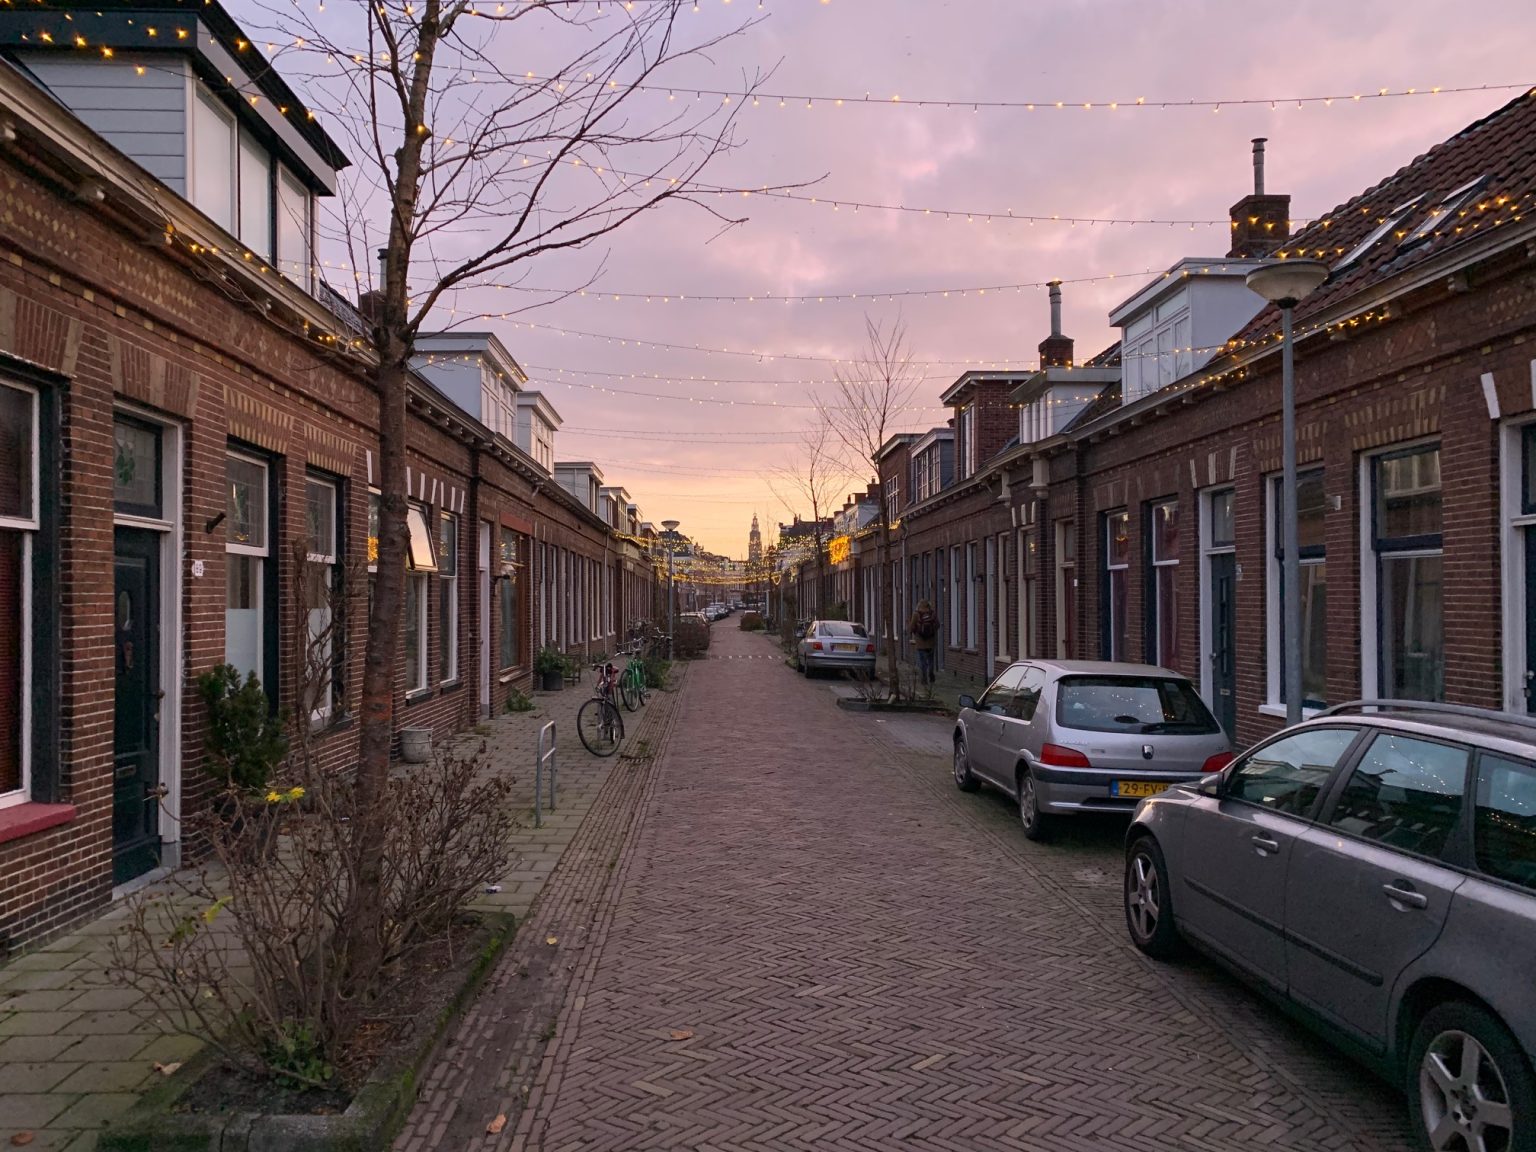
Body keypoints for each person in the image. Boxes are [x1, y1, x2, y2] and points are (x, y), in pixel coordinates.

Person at [909, 598, 939, 688]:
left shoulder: (916, 614)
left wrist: (914, 632)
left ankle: (924, 679)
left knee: (922, 662)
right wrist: (932, 632)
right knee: (930, 661)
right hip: (931, 643)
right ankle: (931, 674)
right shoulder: (932, 614)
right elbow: (938, 625)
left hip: (920, 643)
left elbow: (911, 627)